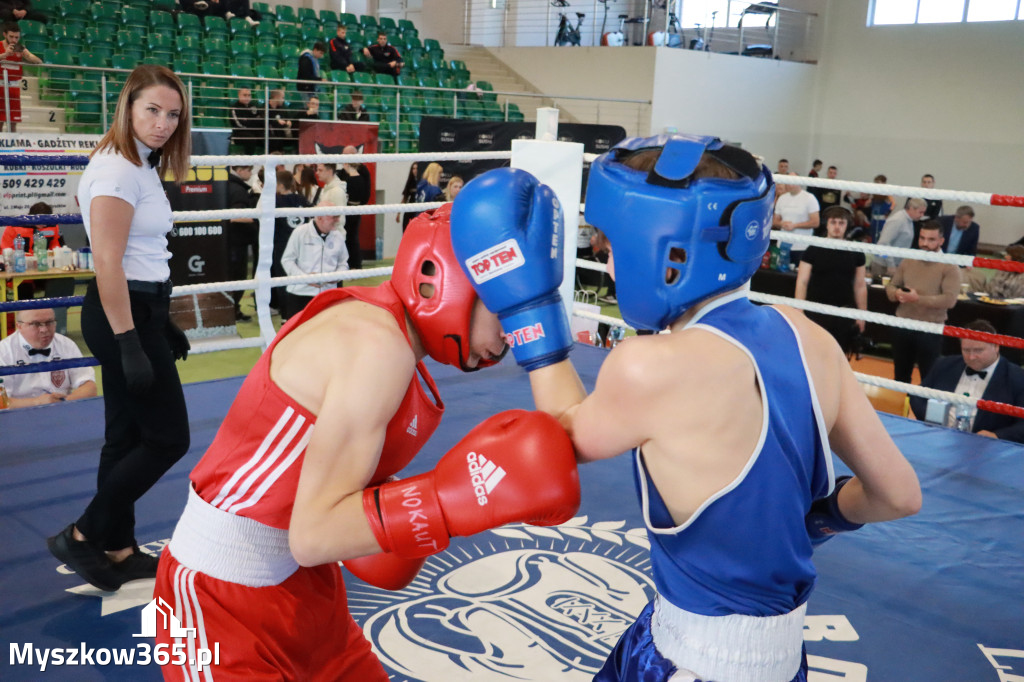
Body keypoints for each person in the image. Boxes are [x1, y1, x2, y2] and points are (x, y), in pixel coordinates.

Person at [450, 136, 921, 682]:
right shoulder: (807, 334)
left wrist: (527, 306)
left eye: (612, 245)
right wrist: (820, 515)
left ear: (664, 252)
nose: (605, 259)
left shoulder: (650, 365)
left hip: (694, 664)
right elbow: (898, 494)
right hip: (779, 660)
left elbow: (557, 440)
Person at [151, 205, 580, 679]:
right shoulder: (375, 346)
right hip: (219, 597)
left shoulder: (384, 330)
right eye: (505, 308)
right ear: (443, 280)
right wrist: (444, 502)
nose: (510, 335)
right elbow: (314, 537)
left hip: (303, 584)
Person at [47, 64, 193, 593]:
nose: (163, 123)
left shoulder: (141, 164)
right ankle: (85, 535)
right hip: (120, 313)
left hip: (139, 308)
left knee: (125, 436)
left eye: (173, 114)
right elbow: (108, 263)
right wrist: (131, 340)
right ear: (128, 106)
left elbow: (143, 254)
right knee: (168, 438)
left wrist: (163, 319)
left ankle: (117, 547)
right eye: (152, 110)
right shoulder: (115, 170)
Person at [910, 319, 1024, 442]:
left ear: (996, 346)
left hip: (985, 447)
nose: (971, 357)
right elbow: (917, 397)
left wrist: (997, 436)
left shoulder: (1017, 377)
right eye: (966, 350)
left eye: (978, 350)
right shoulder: (945, 364)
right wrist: (933, 418)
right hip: (938, 437)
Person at [885, 220, 960, 384]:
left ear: (941, 241)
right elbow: (891, 286)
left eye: (931, 239)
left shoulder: (950, 266)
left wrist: (918, 299)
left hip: (930, 328)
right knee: (900, 376)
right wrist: (896, 293)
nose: (925, 243)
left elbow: (950, 300)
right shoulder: (908, 260)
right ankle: (899, 408)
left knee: (929, 377)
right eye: (922, 238)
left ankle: (923, 410)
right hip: (903, 323)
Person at [795, 206, 868, 354]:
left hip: (844, 311)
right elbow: (802, 281)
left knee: (839, 356)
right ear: (827, 224)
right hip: (815, 310)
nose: (837, 227)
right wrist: (799, 310)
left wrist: (862, 314)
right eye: (833, 222)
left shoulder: (856, 252)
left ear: (847, 226)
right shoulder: (813, 249)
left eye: (841, 223)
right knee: (813, 354)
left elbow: (860, 285)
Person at [0, 307, 96, 408]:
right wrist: (37, 402)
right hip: (18, 416)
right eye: (35, 324)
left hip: (62, 412)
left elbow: (90, 387)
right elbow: (1, 402)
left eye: (49, 322)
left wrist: (63, 403)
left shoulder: (66, 344)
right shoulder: (4, 351)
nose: (44, 330)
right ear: (19, 326)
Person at [279, 202, 349, 319]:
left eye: (338, 216)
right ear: (320, 217)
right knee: (298, 334)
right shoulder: (300, 232)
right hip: (300, 294)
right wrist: (305, 278)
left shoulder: (338, 236)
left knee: (327, 331)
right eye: (334, 217)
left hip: (328, 294)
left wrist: (336, 276)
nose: (338, 220)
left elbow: (344, 263)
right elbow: (287, 260)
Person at [255, 168, 307, 313]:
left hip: (281, 247)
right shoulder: (302, 200)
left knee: (282, 280)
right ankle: (302, 312)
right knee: (301, 278)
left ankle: (286, 314)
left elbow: (260, 220)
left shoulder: (273, 201)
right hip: (302, 247)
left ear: (280, 186)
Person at [225, 164, 258, 322]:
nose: (251, 173)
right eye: (249, 170)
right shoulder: (237, 189)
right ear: (239, 171)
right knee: (237, 276)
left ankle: (232, 309)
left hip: (229, 240)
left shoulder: (227, 185)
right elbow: (235, 216)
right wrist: (255, 218)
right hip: (237, 241)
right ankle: (233, 310)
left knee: (232, 277)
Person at [0, 21, 42, 133]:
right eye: (11, 37)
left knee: (13, 122)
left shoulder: (20, 48)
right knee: (0, 121)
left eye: (16, 37)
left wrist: (29, 56)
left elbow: (35, 59)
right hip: (0, 87)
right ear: (5, 35)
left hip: (13, 89)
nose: (14, 40)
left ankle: (12, 148)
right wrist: (5, 54)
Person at [772, 172, 819, 267]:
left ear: (799, 181)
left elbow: (815, 222)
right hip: (782, 244)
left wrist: (795, 225)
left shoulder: (809, 198)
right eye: (787, 181)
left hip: (801, 246)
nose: (789, 184)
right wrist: (782, 224)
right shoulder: (782, 198)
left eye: (792, 181)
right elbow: (774, 221)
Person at [873, 197, 927, 276]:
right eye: (920, 212)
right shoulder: (898, 220)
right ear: (911, 209)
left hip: (895, 264)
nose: (922, 215)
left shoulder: (909, 220)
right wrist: (890, 265)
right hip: (883, 266)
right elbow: (883, 243)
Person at [338, 146, 372, 269]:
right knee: (346, 236)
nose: (343, 158)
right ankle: (348, 263)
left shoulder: (361, 171)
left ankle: (355, 264)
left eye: (345, 155)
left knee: (351, 236)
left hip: (354, 208)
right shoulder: (343, 171)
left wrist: (359, 206)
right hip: (345, 208)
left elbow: (365, 191)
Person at [229, 86, 261, 155]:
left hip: (253, 131)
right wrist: (253, 122)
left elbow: (260, 120)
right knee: (251, 139)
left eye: (249, 95)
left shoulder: (254, 106)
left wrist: (249, 121)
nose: (247, 97)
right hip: (239, 134)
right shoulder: (235, 108)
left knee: (268, 136)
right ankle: (248, 163)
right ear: (239, 95)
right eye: (245, 95)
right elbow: (239, 124)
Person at [266, 88, 293, 153]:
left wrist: (288, 121)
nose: (283, 100)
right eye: (282, 98)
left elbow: (287, 118)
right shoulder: (265, 107)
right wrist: (277, 121)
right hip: (269, 135)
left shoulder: (282, 107)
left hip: (281, 134)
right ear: (276, 97)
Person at [397, 161, 418, 230]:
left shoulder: (422, 183)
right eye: (413, 169)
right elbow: (405, 198)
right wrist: (398, 213)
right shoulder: (410, 182)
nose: (415, 170)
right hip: (409, 210)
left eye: (416, 168)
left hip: (418, 212)